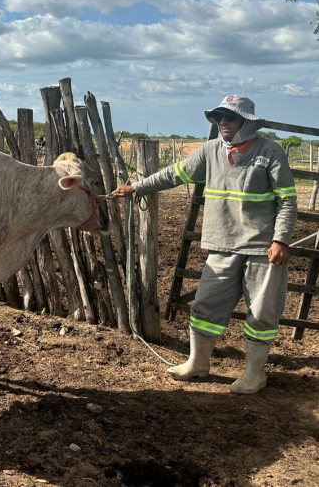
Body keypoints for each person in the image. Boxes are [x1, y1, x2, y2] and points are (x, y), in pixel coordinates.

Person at [112, 95, 296, 396]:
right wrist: (137, 187)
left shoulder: (270, 151)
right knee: (205, 305)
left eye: (229, 117)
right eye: (218, 117)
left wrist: (280, 239)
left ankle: (254, 374)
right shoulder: (210, 151)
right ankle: (197, 363)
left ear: (246, 122)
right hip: (222, 244)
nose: (222, 122)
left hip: (262, 249)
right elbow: (175, 173)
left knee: (262, 312)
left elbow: (287, 200)